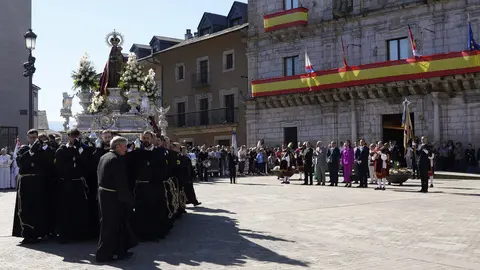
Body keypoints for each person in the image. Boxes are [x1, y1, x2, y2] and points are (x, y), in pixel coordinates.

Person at [96, 136, 137, 263]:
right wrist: (129, 201)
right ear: (118, 146)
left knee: (118, 225)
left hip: (105, 195)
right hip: (113, 198)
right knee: (110, 227)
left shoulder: (105, 156)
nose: (126, 149)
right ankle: (104, 255)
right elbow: (121, 183)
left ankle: (119, 251)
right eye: (125, 146)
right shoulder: (116, 160)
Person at [54, 128, 91, 243]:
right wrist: (72, 153)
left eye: (76, 136)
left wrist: (79, 151)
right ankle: (65, 234)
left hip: (78, 183)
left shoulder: (82, 149)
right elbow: (59, 163)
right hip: (66, 183)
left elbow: (86, 162)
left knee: (79, 209)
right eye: (72, 136)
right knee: (66, 209)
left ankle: (78, 234)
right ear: (68, 136)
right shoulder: (62, 149)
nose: (74, 139)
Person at [12, 129, 48, 244]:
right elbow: (20, 162)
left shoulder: (41, 150)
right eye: (31, 137)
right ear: (27, 138)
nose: (33, 140)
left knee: (37, 207)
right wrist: (30, 152)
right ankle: (26, 233)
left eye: (35, 137)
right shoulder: (23, 149)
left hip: (37, 181)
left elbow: (46, 163)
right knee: (25, 207)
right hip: (26, 182)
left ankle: (38, 233)